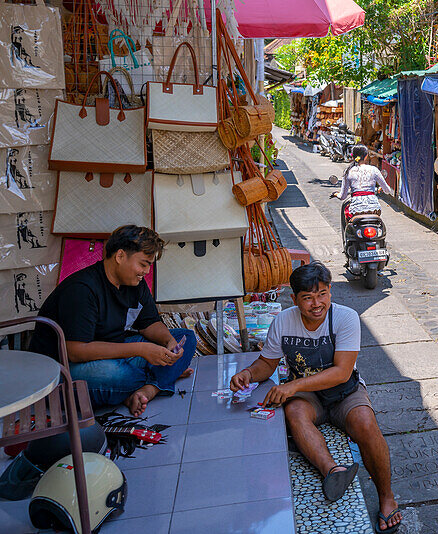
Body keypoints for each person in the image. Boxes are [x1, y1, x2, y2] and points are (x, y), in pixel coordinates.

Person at [229, 262, 401, 531]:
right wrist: (249, 374)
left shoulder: (346, 318)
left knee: (366, 424)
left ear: (330, 291)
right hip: (308, 396)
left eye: (322, 294)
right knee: (294, 412)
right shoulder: (283, 321)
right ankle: (333, 471)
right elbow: (267, 363)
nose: (316, 303)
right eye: (307, 297)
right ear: (294, 298)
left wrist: (292, 387)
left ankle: (386, 497)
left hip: (345, 392)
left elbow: (342, 372)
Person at [29, 226, 197, 416]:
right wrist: (142, 351)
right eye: (143, 264)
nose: (147, 271)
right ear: (120, 256)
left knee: (186, 337)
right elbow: (76, 351)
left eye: (149, 265)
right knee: (122, 376)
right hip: (62, 369)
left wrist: (169, 342)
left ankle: (146, 390)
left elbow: (150, 323)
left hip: (114, 352)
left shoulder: (135, 284)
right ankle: (159, 379)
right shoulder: (82, 289)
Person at [333, 144, 394, 218]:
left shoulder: (348, 171)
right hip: (374, 208)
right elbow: (387, 190)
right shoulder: (374, 170)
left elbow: (342, 196)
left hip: (356, 209)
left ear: (353, 156)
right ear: (366, 156)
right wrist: (382, 189)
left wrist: (336, 194)